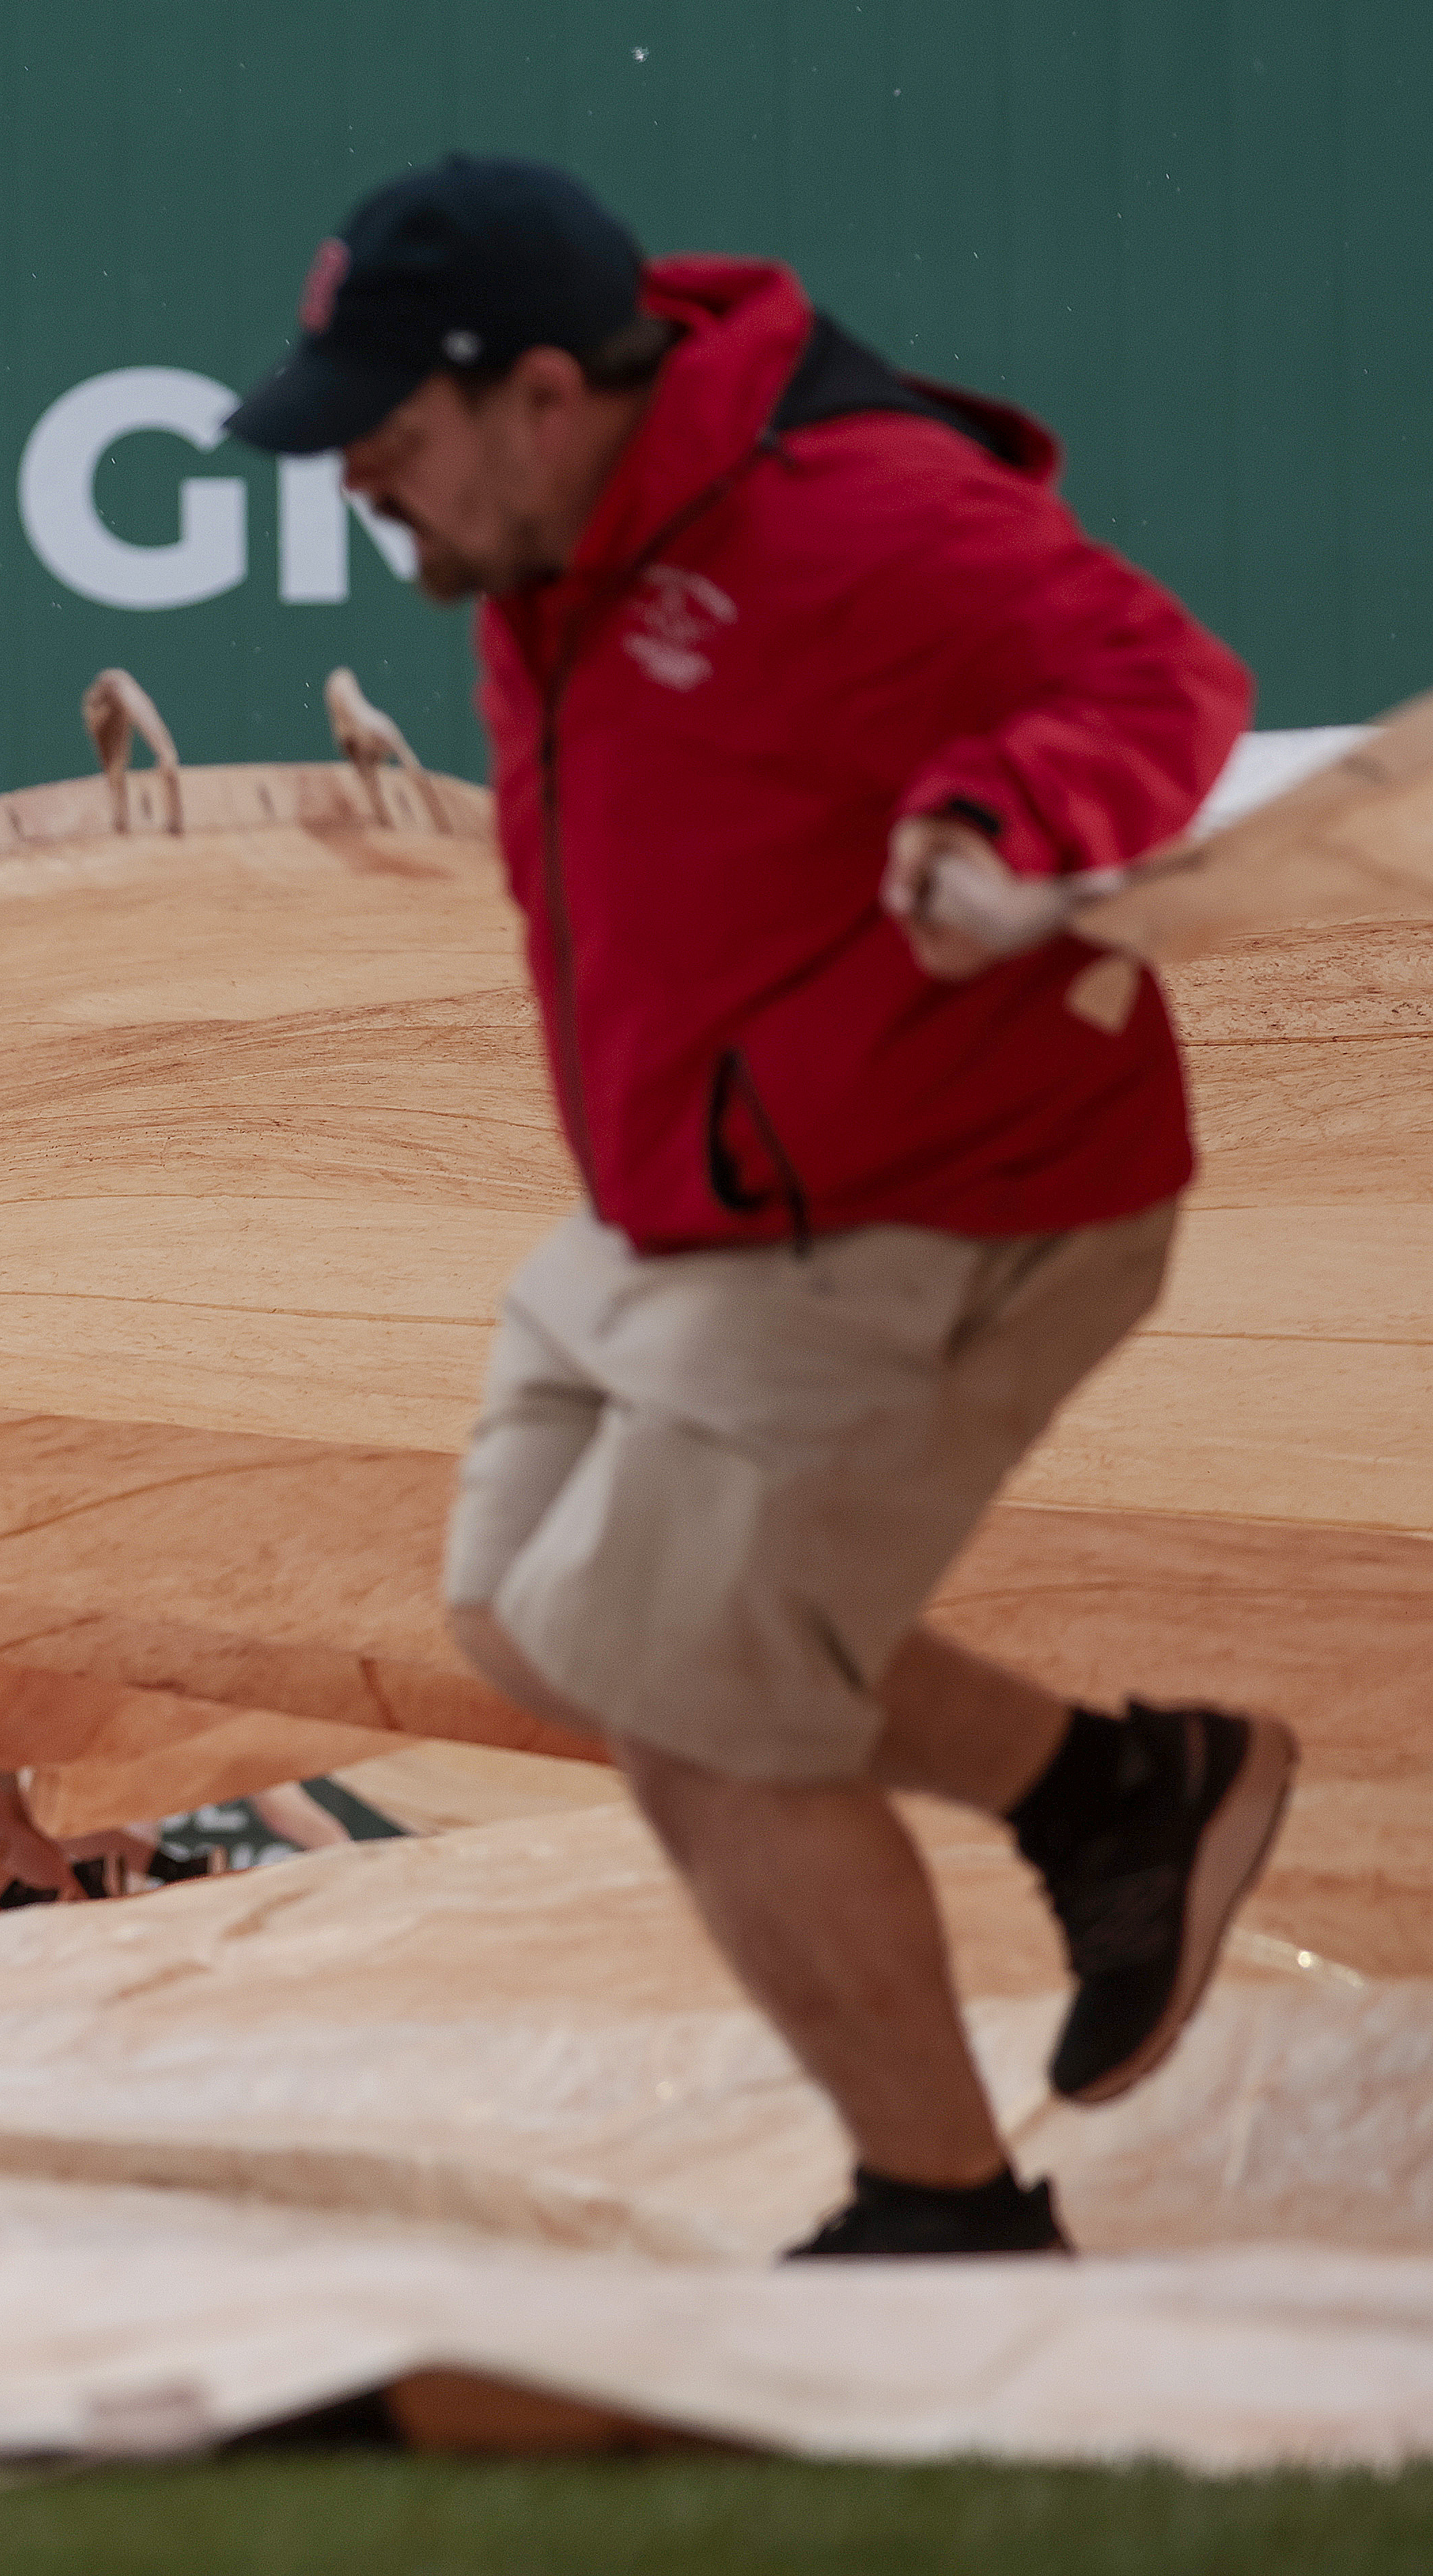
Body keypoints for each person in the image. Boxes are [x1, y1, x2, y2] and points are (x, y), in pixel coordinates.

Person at [227, 154, 1296, 2258]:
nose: (356, 472)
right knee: (526, 1603)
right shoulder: (558, 532)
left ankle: (942, 2211)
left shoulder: (853, 513)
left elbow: (1155, 682)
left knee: (694, 1693)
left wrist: (1006, 819)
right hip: (696, 1201)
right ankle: (1110, 1794)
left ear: (542, 388)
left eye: (390, 425)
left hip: (940, 1196)